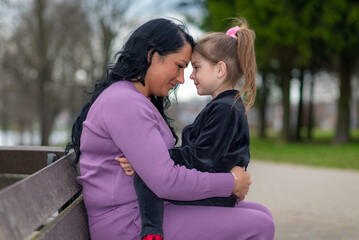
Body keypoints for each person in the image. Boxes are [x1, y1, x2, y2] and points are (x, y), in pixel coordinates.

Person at [66, 18, 274, 240]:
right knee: (259, 225)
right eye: (179, 66)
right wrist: (230, 183)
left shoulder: (134, 99)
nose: (182, 78)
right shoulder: (124, 102)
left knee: (262, 214)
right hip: (128, 224)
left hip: (146, 210)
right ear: (153, 56)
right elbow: (166, 180)